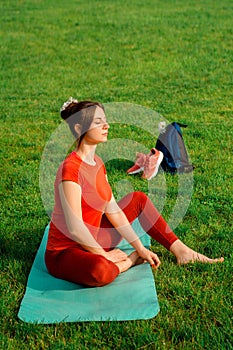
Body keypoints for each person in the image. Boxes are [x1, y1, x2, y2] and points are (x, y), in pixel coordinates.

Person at [45, 98, 224, 287]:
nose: (106, 125)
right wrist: (106, 255)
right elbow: (75, 228)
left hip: (95, 238)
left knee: (138, 199)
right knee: (100, 271)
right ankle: (128, 262)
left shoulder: (98, 163)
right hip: (66, 251)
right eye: (98, 122)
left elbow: (112, 210)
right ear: (80, 128)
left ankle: (182, 252)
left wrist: (140, 248)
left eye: (105, 120)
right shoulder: (70, 169)